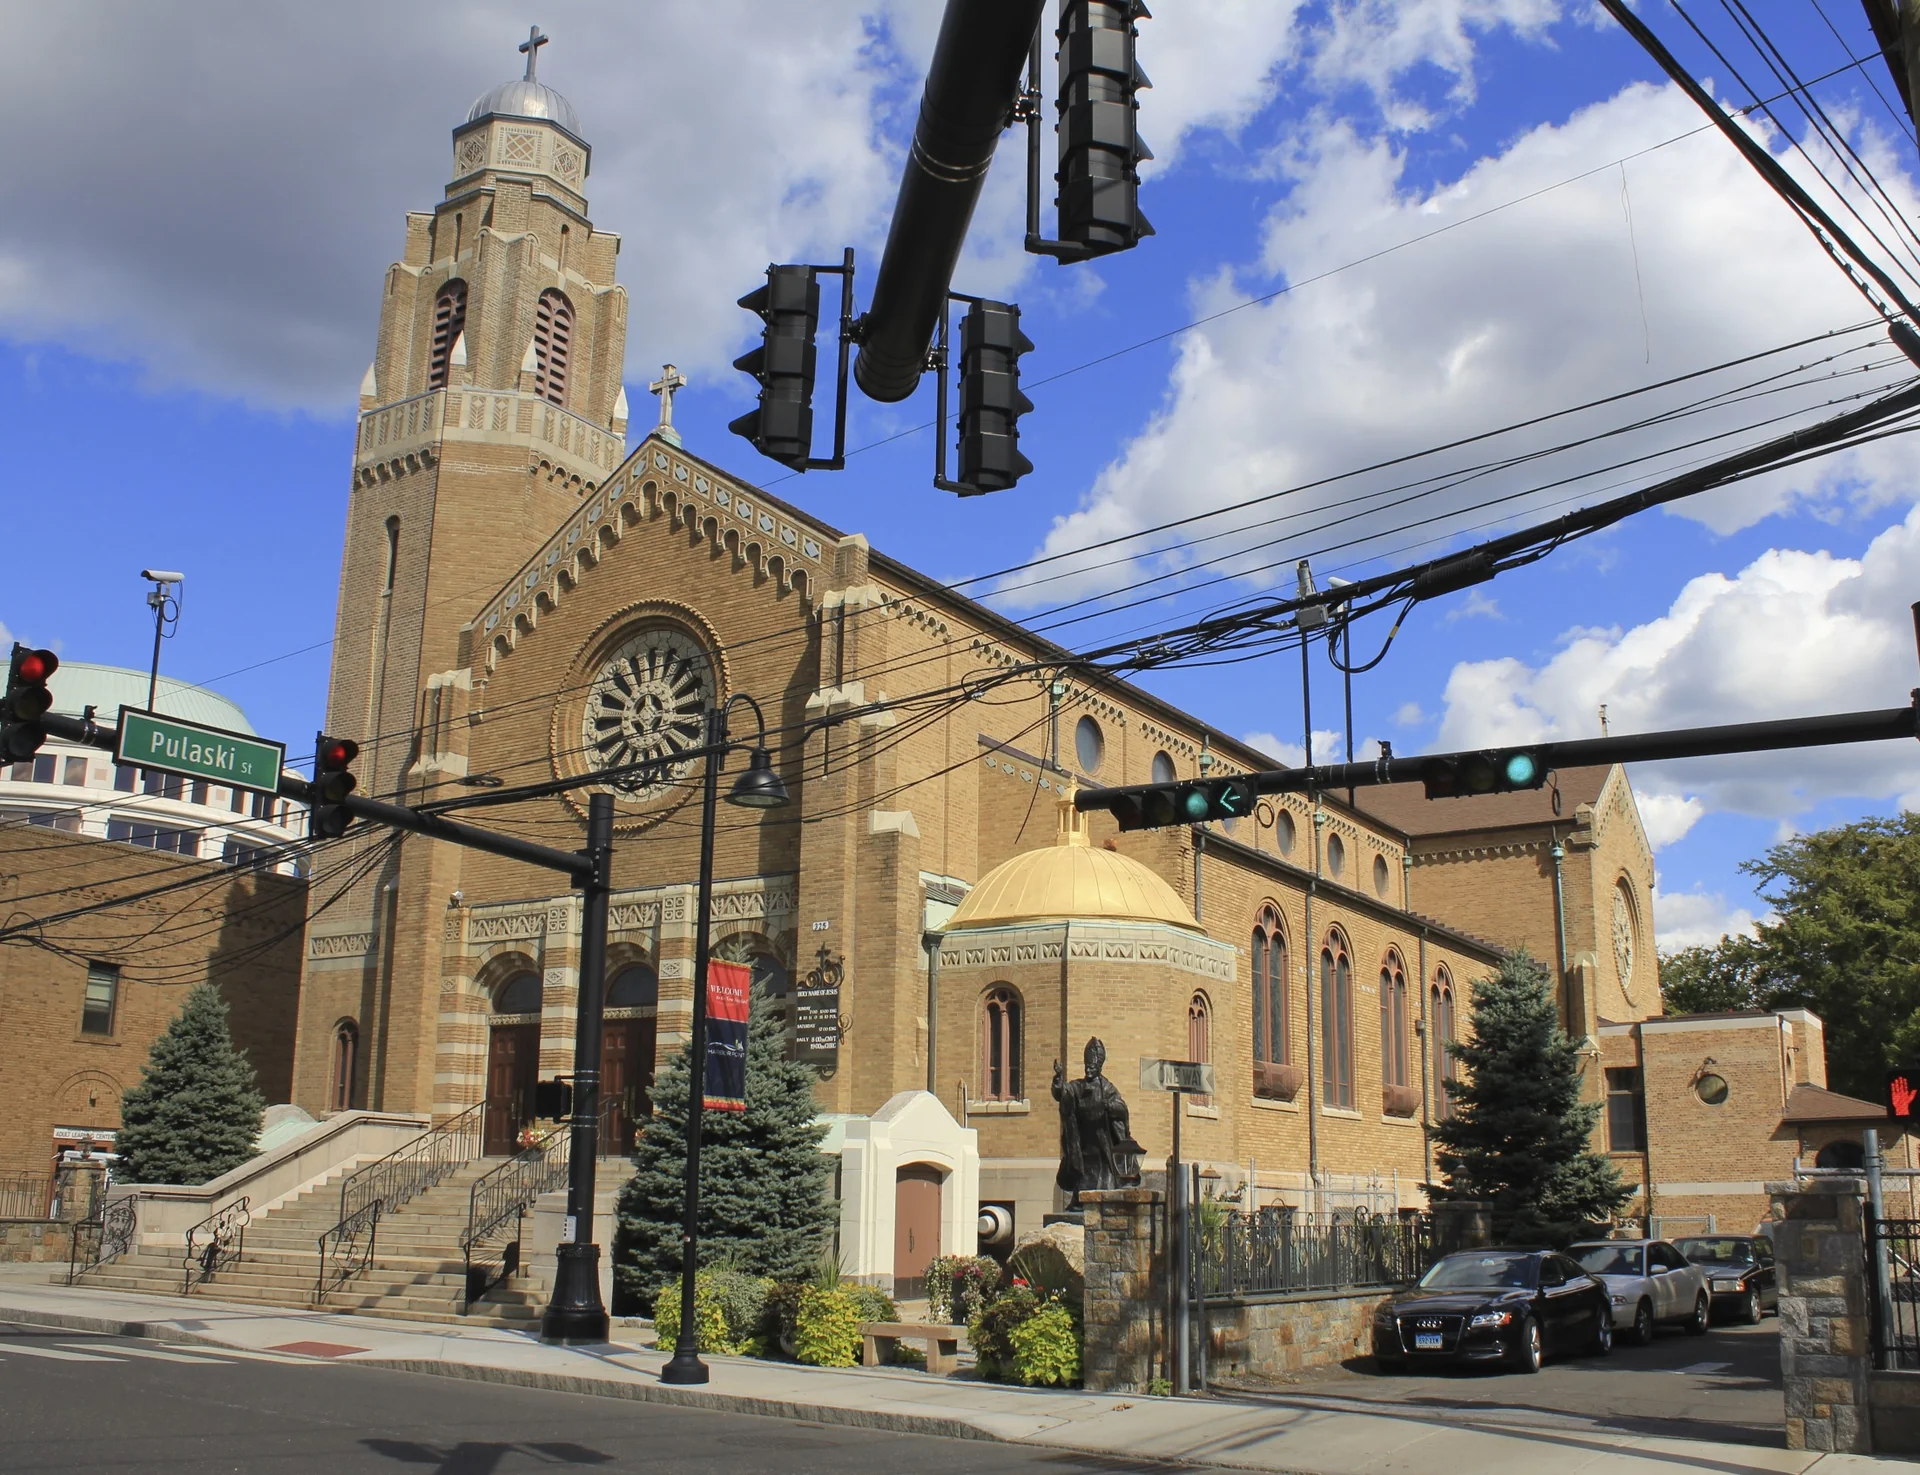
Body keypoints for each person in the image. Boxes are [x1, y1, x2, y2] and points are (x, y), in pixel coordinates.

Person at [1052, 1037, 1144, 1208]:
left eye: (1092, 1067)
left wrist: (1110, 1106)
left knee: (1105, 1180)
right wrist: (1058, 1079)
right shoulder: (1077, 1087)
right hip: (1083, 1143)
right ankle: (1080, 1203)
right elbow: (1062, 1093)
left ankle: (1104, 1206)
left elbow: (1121, 1107)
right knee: (1083, 1177)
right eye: (1087, 1067)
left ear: (1099, 1067)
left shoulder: (1107, 1088)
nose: (1089, 1070)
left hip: (1103, 1144)